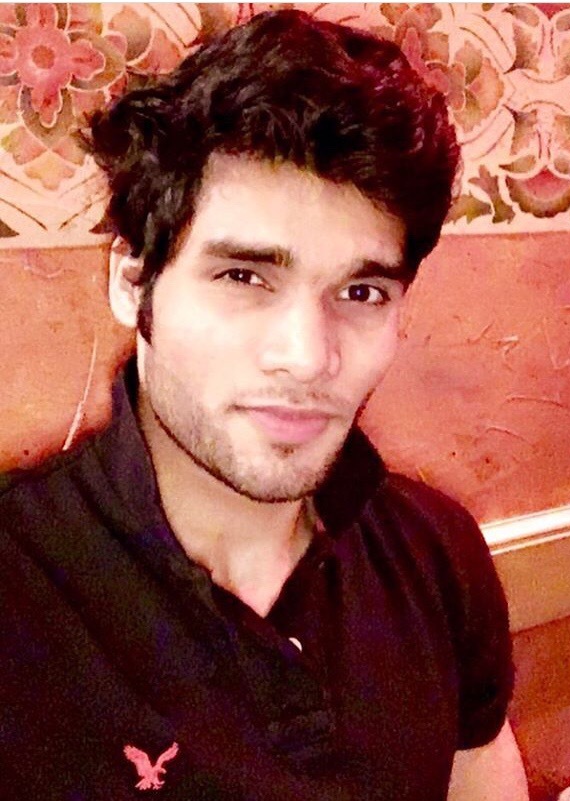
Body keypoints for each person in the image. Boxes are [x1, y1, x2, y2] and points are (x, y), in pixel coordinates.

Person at [0, 9, 528, 800]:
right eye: (244, 277)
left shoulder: (438, 555)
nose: (308, 356)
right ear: (133, 283)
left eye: (361, 291)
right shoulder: (20, 589)